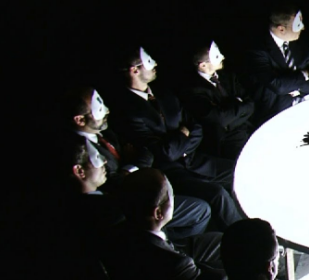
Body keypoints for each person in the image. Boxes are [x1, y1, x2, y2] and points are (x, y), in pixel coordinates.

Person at [110, 46, 243, 230]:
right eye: (148, 62)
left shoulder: (164, 92)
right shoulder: (126, 111)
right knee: (217, 194)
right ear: (134, 70)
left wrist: (182, 144)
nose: (155, 64)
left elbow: (194, 125)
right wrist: (182, 134)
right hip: (171, 172)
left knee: (240, 171)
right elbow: (161, 153)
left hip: (194, 159)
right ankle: (250, 236)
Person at [63, 87, 212, 241]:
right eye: (99, 110)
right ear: (80, 120)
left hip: (151, 184)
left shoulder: (106, 130)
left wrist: (127, 170)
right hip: (134, 204)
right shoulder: (77, 151)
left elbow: (146, 151)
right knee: (200, 210)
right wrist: (129, 169)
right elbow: (112, 184)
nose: (107, 111)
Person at [244, 5, 309, 122]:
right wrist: (304, 75)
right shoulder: (258, 50)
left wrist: (299, 89)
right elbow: (277, 85)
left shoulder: (303, 42)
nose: (303, 28)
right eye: (298, 25)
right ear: (281, 29)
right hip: (278, 112)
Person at [181, 41, 255, 159]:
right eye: (216, 57)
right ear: (203, 65)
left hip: (247, 129)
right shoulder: (193, 90)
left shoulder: (229, 77)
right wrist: (239, 106)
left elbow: (250, 104)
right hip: (226, 141)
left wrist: (229, 115)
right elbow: (219, 119)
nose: (223, 57)